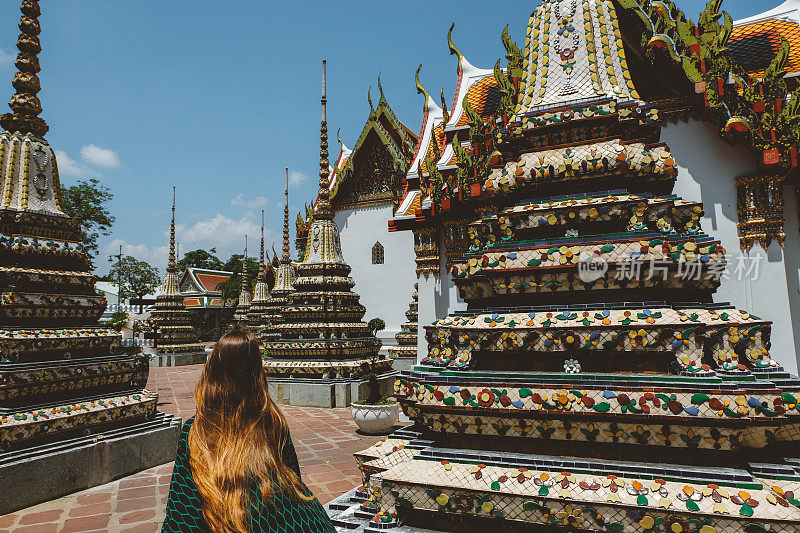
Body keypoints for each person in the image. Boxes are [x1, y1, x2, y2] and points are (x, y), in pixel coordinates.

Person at [162, 325, 335, 533]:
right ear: (257, 372)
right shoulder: (272, 420)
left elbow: (182, 509)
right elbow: (294, 482)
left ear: (213, 369)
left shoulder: (195, 429)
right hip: (286, 522)